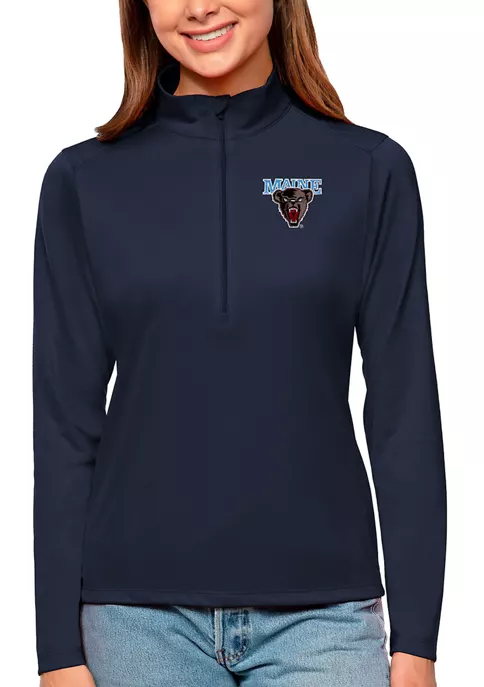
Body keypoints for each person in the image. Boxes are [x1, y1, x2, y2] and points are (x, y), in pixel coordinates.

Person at [32, 1, 447, 685]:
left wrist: (417, 645)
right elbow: (63, 425)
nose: (200, 7)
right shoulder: (83, 181)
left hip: (326, 620)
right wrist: (57, 653)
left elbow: (405, 413)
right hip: (134, 621)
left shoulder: (370, 169)